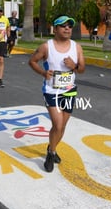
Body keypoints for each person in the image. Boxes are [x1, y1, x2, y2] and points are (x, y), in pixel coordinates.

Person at [29, 15, 85, 173]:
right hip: (51, 91)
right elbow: (32, 61)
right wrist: (43, 73)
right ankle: (50, 153)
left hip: (69, 91)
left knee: (62, 126)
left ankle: (51, 149)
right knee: (58, 124)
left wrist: (74, 66)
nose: (67, 28)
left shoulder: (77, 47)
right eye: (63, 25)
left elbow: (82, 69)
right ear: (55, 28)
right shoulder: (46, 47)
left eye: (69, 26)